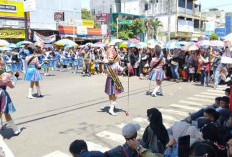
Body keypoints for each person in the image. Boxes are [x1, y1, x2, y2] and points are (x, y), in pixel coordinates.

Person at [0, 57, 21, 135]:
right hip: (2, 94)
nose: (3, 61)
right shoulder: (5, 75)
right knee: (6, 112)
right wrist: (15, 77)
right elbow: (12, 86)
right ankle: (16, 129)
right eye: (2, 59)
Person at [104, 48, 124, 116]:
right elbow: (106, 72)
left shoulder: (116, 64)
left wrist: (126, 69)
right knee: (110, 94)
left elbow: (121, 69)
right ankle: (111, 107)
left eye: (111, 58)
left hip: (116, 79)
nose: (110, 59)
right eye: (109, 58)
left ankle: (112, 106)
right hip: (110, 80)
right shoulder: (107, 65)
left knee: (115, 94)